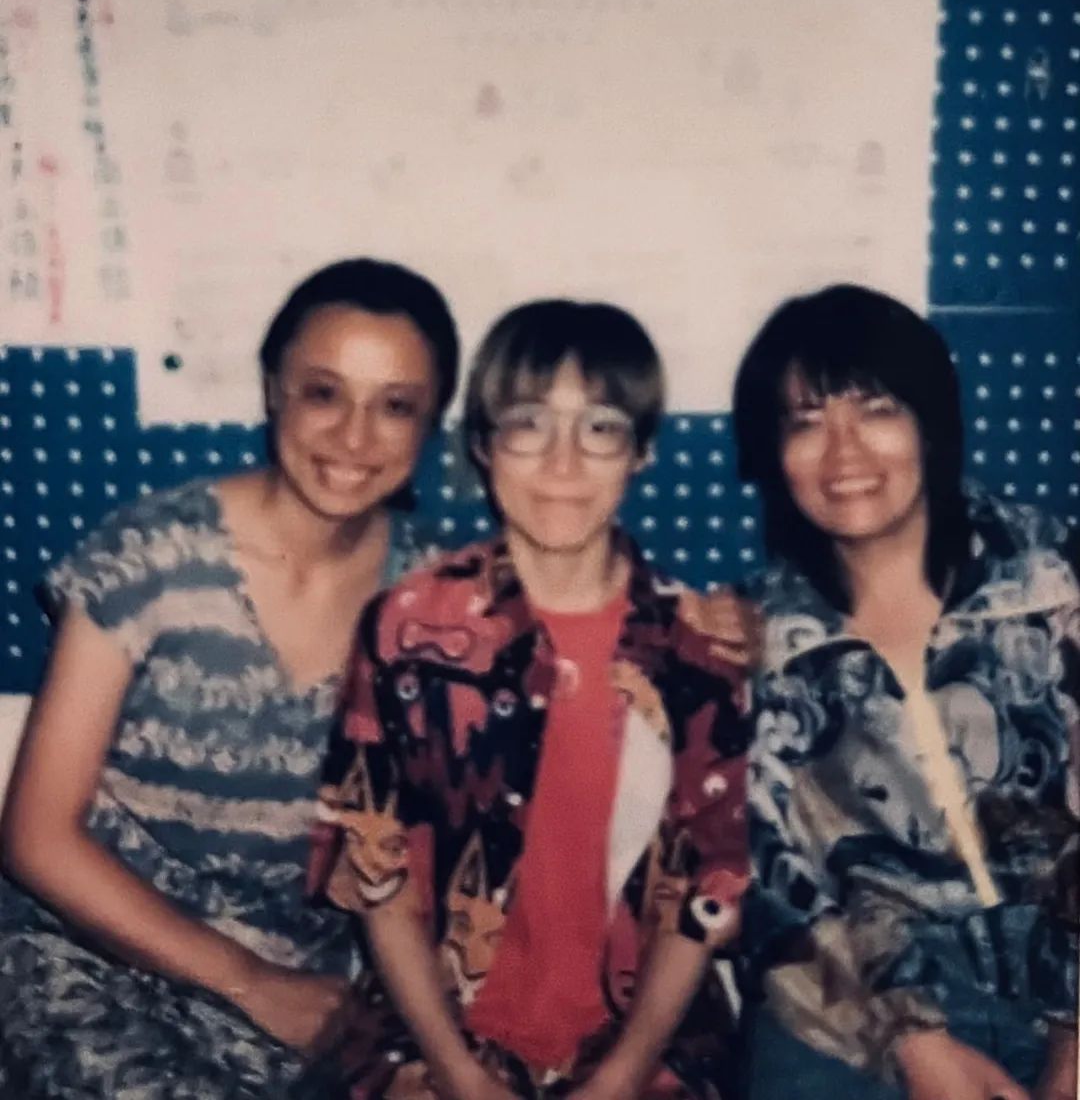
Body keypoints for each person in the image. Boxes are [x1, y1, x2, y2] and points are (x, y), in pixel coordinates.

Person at [0, 258, 460, 1098]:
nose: (355, 437)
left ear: (431, 425)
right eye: (324, 393)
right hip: (92, 963)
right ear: (273, 390)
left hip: (315, 993)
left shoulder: (437, 601)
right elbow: (36, 838)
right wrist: (248, 982)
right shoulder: (148, 558)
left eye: (395, 406)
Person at [309, 299, 751, 1099]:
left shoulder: (698, 651)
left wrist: (621, 1077)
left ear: (642, 451)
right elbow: (377, 876)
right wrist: (457, 1073)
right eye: (528, 425)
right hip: (432, 1032)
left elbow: (704, 892)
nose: (562, 463)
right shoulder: (408, 630)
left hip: (644, 1044)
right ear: (484, 444)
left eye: (600, 428)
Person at [731, 284, 1079, 1100]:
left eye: (876, 410)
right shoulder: (755, 642)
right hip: (859, 998)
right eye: (806, 421)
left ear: (930, 423)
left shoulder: (1054, 581)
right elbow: (773, 888)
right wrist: (912, 1041)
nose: (843, 452)